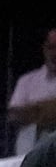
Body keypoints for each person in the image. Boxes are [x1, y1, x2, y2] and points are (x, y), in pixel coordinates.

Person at [7, 28, 56, 158]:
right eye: (51, 47)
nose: (54, 53)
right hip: (28, 155)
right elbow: (13, 115)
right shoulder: (27, 81)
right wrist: (46, 110)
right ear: (44, 49)